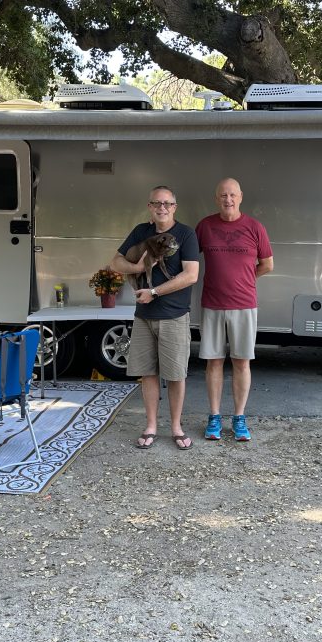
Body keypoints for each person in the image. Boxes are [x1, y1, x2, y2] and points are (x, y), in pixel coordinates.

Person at [111, 186, 200, 451]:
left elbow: (191, 275)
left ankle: (176, 427)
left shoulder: (186, 234)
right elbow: (115, 263)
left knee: (175, 375)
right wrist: (137, 267)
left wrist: (154, 292)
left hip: (174, 315)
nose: (162, 208)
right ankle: (151, 426)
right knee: (148, 373)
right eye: (157, 203)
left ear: (175, 207)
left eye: (167, 203)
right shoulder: (141, 231)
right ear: (150, 206)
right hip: (144, 316)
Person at [196, 178, 273, 442]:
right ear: (216, 198)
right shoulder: (205, 226)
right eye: (223, 195)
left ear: (240, 197)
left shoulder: (255, 227)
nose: (228, 200)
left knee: (241, 362)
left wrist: (245, 279)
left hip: (244, 304)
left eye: (232, 195)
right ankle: (214, 416)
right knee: (214, 361)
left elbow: (267, 264)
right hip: (212, 304)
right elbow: (189, 259)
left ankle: (239, 418)